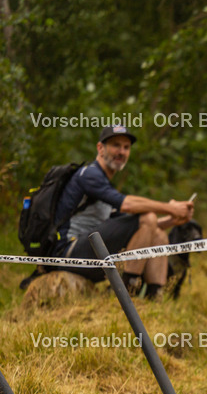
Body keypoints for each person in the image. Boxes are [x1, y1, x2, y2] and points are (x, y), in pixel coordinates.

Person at [50, 126, 194, 299]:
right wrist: (170, 208)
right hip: (69, 253)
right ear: (100, 148)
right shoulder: (90, 175)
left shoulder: (104, 184)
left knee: (158, 233)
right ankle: (127, 290)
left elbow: (139, 228)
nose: (121, 152)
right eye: (116, 145)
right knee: (147, 216)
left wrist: (172, 220)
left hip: (92, 250)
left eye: (126, 147)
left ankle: (155, 296)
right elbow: (127, 206)